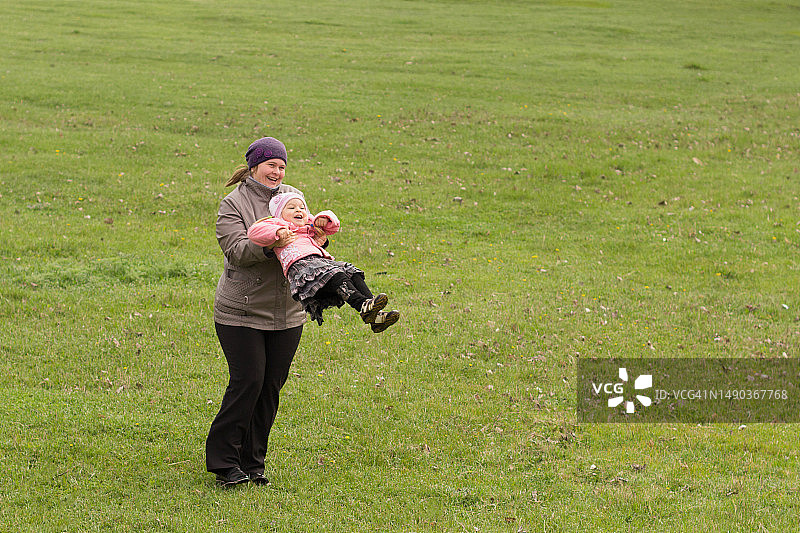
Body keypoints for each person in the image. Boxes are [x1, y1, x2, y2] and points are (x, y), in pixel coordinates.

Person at [205, 137, 319, 487]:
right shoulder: (234, 203)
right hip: (240, 311)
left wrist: (318, 239)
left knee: (270, 387)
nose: (277, 171)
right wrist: (272, 245)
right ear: (254, 165)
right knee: (248, 381)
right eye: (271, 164)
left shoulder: (291, 195)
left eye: (282, 166)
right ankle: (225, 461)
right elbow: (237, 251)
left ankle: (254, 463)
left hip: (287, 311)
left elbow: (307, 231)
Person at [247, 192, 400, 332]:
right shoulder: (277, 224)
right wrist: (278, 232)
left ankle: (374, 314)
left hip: (320, 263)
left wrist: (324, 218)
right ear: (279, 214)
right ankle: (362, 305)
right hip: (301, 267)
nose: (298, 210)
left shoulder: (309, 225)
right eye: (291, 208)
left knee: (351, 271)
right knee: (336, 275)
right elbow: (254, 232)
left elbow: (333, 227)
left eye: (302, 207)